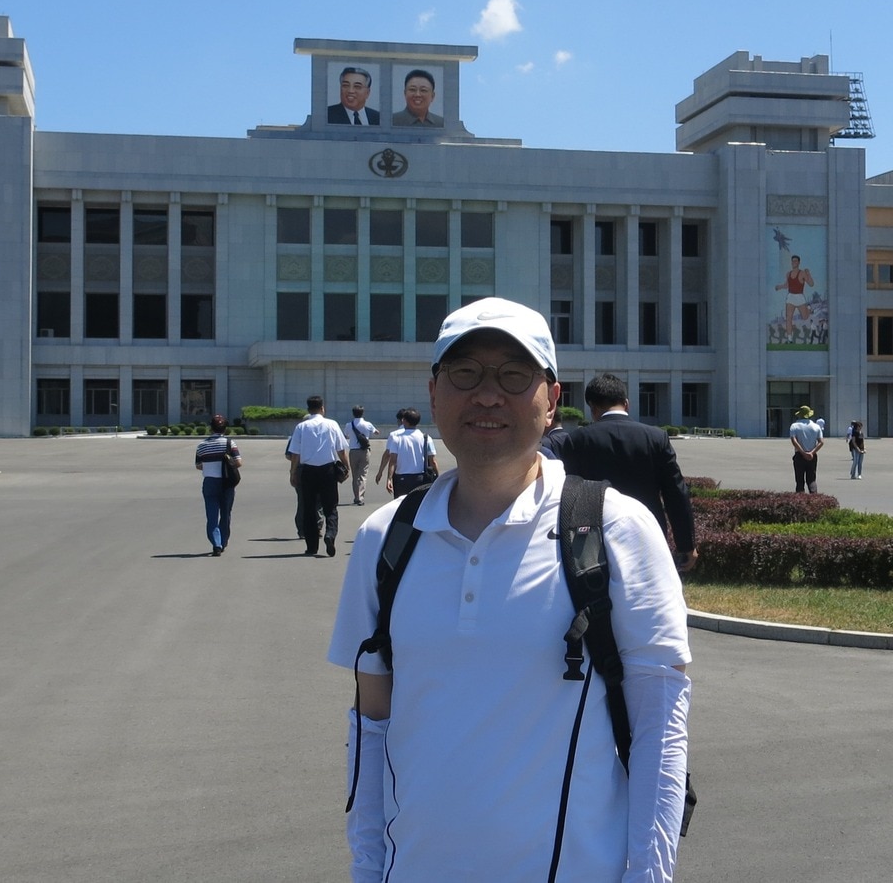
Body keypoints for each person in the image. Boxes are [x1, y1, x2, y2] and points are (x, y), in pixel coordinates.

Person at [327, 296, 691, 882]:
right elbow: (371, 726)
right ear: (434, 392)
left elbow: (660, 731)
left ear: (553, 401)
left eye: (514, 375)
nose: (488, 394)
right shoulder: (385, 539)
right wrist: (368, 869)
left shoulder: (615, 530)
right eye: (464, 373)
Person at [558, 372, 698, 571]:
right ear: (626, 403)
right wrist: (686, 544)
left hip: (595, 540)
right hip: (648, 533)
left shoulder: (577, 440)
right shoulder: (656, 437)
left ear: (593, 409)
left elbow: (568, 496)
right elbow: (675, 492)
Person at [288, 396, 351, 557]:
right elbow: (341, 449)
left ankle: (311, 546)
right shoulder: (332, 424)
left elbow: (295, 453)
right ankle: (330, 534)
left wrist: (293, 472)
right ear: (322, 408)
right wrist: (347, 466)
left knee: (309, 508)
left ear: (308, 409)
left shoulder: (301, 427)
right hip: (328, 470)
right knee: (331, 507)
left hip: (308, 471)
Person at [195, 414, 241, 556]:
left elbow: (198, 465)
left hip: (209, 482)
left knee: (212, 514)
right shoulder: (229, 443)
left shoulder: (202, 445)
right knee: (226, 512)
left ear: (210, 428)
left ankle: (216, 543)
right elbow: (238, 462)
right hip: (226, 482)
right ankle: (223, 540)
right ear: (225, 429)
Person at [379, 407, 438, 497]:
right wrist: (437, 477)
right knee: (417, 506)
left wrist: (389, 478)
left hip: (401, 479)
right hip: (420, 478)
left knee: (401, 505)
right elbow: (433, 461)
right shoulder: (426, 438)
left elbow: (393, 461)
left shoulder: (396, 438)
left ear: (404, 421)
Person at [774, 254, 815, 342]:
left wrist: (808, 274)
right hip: (790, 297)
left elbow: (811, 284)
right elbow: (787, 285)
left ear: (799, 263)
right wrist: (779, 287)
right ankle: (789, 338)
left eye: (795, 261)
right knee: (788, 317)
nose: (794, 263)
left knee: (805, 317)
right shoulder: (788, 274)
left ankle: (808, 309)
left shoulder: (802, 273)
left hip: (800, 297)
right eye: (793, 261)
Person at [345, 405, 378, 506]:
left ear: (353, 413)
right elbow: (376, 432)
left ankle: (356, 496)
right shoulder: (367, 424)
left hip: (353, 451)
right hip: (364, 451)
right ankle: (360, 497)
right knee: (363, 474)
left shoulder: (349, 425)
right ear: (363, 413)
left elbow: (346, 435)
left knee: (355, 475)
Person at [789, 405, 824, 493]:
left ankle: (801, 501)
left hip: (799, 455)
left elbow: (794, 441)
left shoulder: (795, 426)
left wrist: (803, 452)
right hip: (812, 456)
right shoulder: (816, 426)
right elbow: (821, 442)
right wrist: (812, 452)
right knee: (811, 479)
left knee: (799, 480)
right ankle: (814, 499)